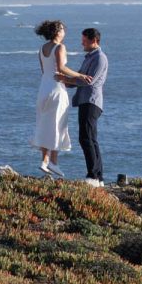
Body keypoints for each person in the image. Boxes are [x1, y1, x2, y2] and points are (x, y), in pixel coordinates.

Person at [31, 20, 85, 178]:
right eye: (62, 29)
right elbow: (61, 68)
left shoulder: (42, 49)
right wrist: (80, 75)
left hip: (43, 89)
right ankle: (50, 162)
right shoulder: (60, 47)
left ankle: (48, 161)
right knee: (58, 124)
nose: (64, 31)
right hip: (56, 89)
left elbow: (44, 71)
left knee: (45, 123)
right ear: (57, 32)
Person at [57, 28, 108, 187]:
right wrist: (64, 81)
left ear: (94, 41)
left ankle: (93, 176)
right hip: (86, 101)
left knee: (86, 138)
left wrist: (65, 78)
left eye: (84, 41)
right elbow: (79, 76)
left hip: (91, 101)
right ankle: (98, 177)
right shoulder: (90, 58)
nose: (82, 43)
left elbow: (88, 81)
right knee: (91, 139)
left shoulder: (100, 58)